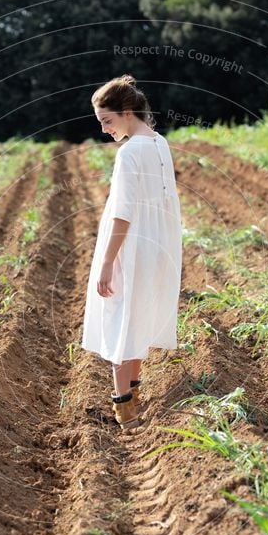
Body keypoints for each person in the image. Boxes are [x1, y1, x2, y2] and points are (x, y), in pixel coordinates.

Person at [81, 74, 183, 432]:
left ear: (127, 112)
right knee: (136, 317)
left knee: (119, 320)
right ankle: (134, 402)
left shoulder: (129, 153)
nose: (105, 130)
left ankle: (124, 411)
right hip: (157, 245)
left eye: (107, 121)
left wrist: (108, 261)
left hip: (132, 246)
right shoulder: (160, 143)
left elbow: (124, 212)